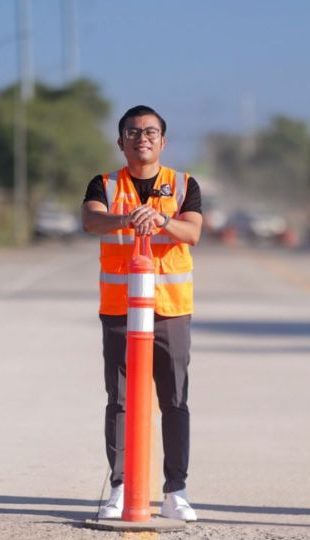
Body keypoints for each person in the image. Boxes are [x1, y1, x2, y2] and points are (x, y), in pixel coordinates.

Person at [81, 105, 204, 521]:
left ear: (163, 141)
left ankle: (176, 490)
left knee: (174, 399)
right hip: (119, 309)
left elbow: (193, 231)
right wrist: (127, 217)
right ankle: (120, 486)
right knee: (119, 400)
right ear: (121, 142)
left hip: (170, 310)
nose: (142, 138)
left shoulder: (184, 183)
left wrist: (162, 219)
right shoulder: (104, 184)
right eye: (133, 132)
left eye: (151, 132)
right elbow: (91, 221)